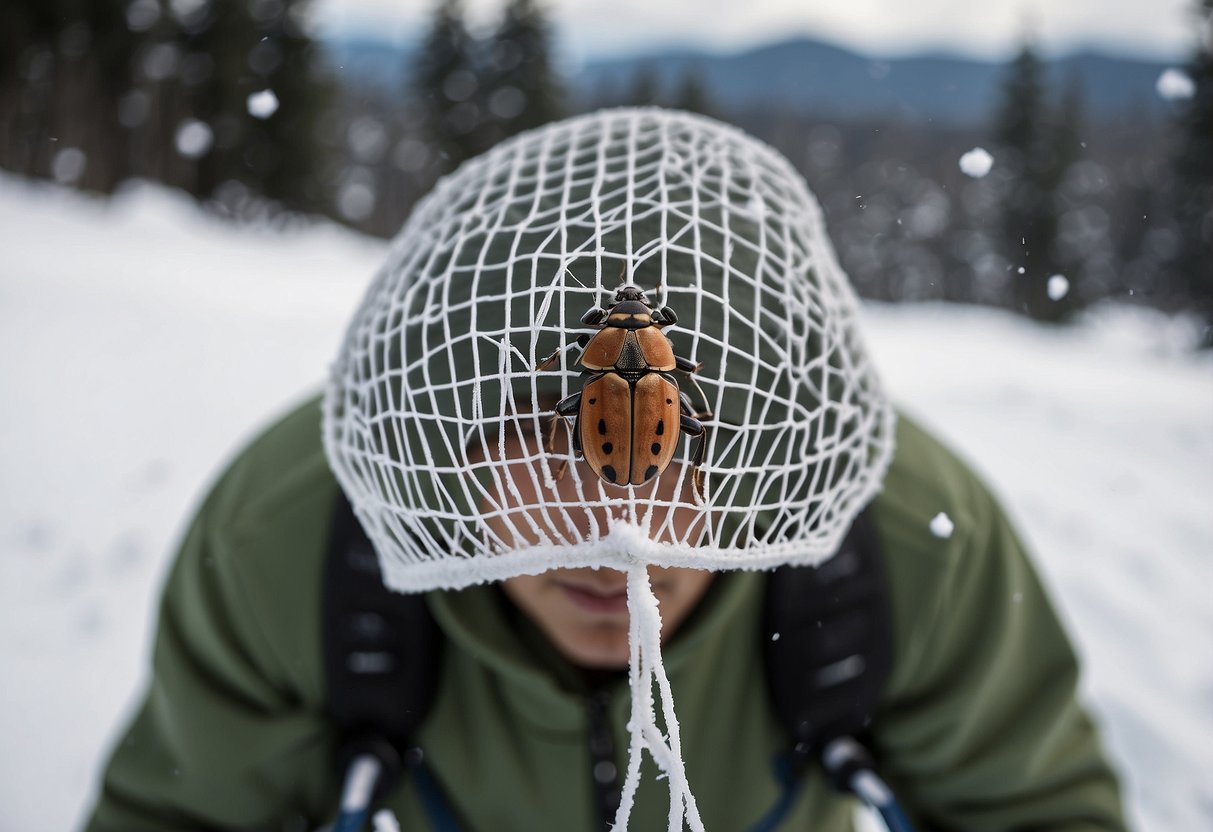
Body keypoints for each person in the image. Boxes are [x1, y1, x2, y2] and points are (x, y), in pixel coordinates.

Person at [84, 109, 1128, 831]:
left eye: (676, 448)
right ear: (443, 440)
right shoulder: (287, 543)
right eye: (547, 442)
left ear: (768, 445)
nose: (618, 528)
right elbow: (179, 809)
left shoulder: (904, 546)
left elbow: (1038, 806)